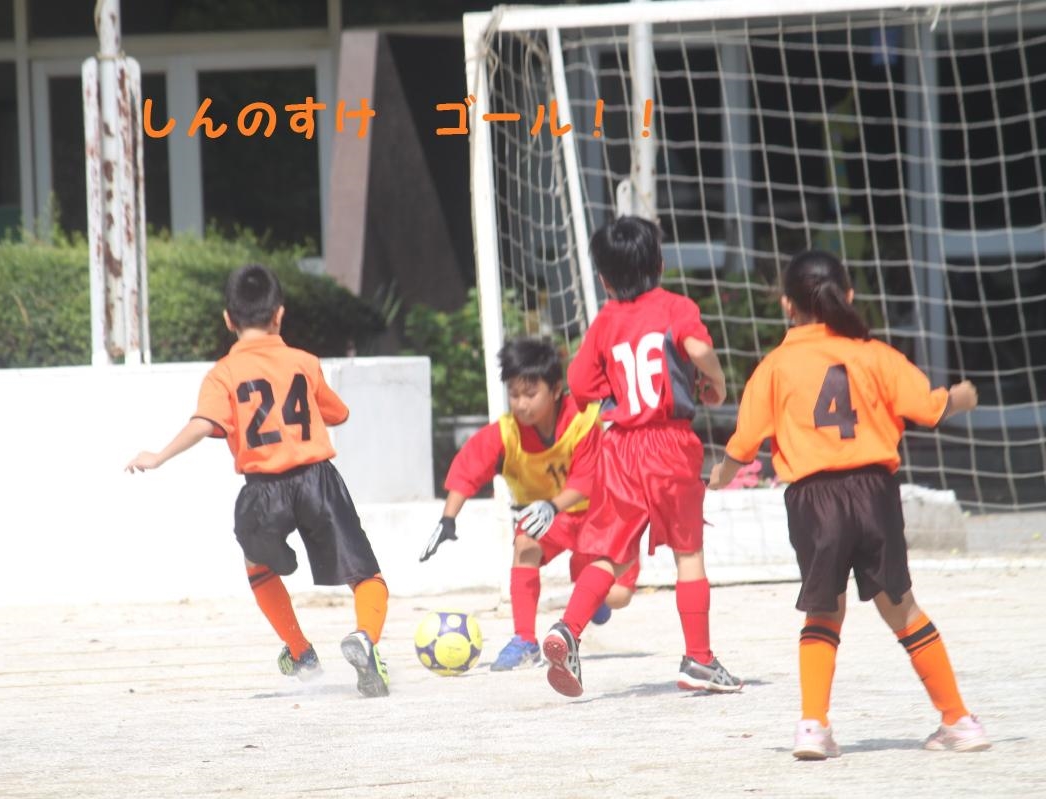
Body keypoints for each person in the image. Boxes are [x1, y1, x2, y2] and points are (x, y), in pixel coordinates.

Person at [707, 249, 990, 758]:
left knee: (823, 611)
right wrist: (959, 398)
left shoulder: (775, 366)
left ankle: (813, 726)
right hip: (874, 491)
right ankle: (958, 721)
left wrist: (721, 475)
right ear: (849, 296)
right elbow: (929, 407)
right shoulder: (875, 354)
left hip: (814, 499)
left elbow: (744, 442)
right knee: (902, 609)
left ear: (787, 305)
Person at [125, 264, 391, 699]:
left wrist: (159, 455)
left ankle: (301, 653)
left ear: (228, 319)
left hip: (263, 489)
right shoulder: (304, 362)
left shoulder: (223, 374)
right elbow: (338, 413)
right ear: (279, 314)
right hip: (317, 480)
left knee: (257, 565)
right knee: (365, 574)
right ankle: (365, 638)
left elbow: (204, 422)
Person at [542, 215, 743, 698]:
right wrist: (716, 382)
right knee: (688, 552)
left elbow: (579, 384)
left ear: (603, 279)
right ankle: (699, 658)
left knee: (611, 554)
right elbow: (697, 347)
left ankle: (569, 628)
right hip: (669, 444)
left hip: (620, 447)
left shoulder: (605, 322)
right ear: (660, 263)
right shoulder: (676, 306)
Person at [420, 336, 639, 671]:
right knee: (525, 540)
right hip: (554, 521)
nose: (521, 404)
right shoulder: (506, 433)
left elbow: (586, 480)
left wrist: (551, 505)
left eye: (530, 394)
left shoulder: (584, 419)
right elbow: (468, 469)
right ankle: (525, 640)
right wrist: (447, 519)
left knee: (618, 597)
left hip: (602, 518)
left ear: (556, 390)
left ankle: (595, 598)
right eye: (514, 394)